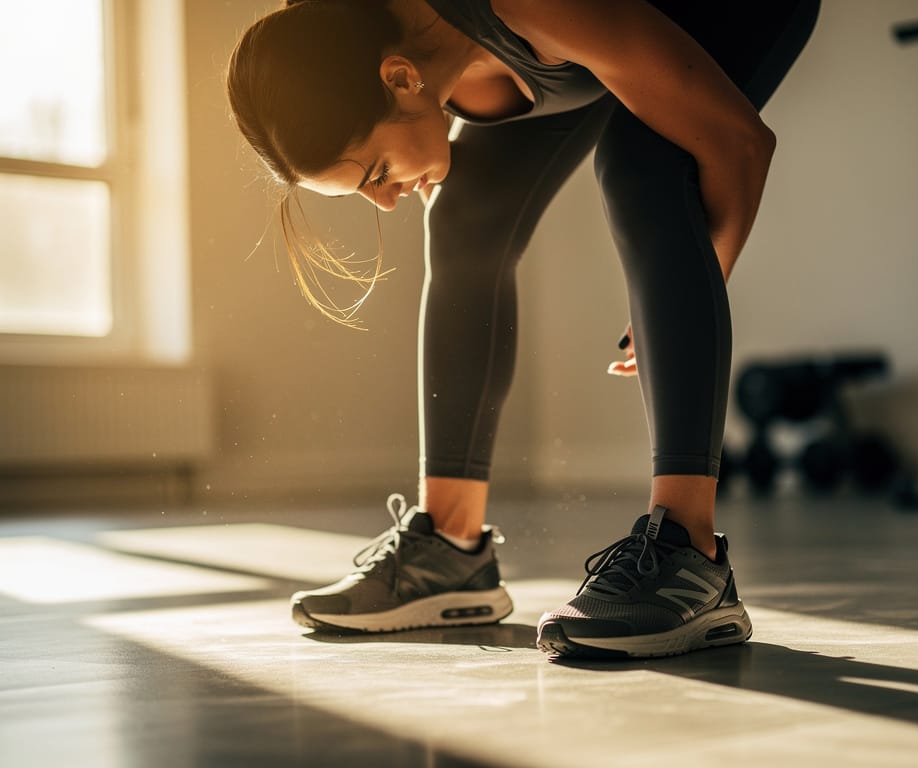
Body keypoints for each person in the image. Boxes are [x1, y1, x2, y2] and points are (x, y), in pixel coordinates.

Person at [228, 0, 820, 659]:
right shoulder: (347, 34)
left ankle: (691, 554)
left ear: (400, 79)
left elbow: (740, 142)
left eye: (377, 173)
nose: (387, 200)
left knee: (643, 164)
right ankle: (448, 549)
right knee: (465, 211)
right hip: (595, 36)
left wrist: (696, 276)